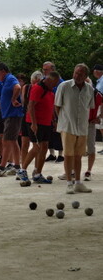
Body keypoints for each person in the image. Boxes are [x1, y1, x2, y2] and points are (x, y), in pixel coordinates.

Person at [55, 64, 95, 194]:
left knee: (79, 156)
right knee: (68, 155)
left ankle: (78, 182)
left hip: (83, 127)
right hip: (68, 126)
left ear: (85, 76)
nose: (77, 76)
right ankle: (69, 183)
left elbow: (89, 107)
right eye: (76, 73)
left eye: (81, 74)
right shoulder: (64, 86)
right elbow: (57, 106)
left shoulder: (89, 89)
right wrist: (62, 120)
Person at [21, 71, 61, 183]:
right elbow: (31, 106)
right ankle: (22, 169)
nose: (55, 85)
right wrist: (34, 123)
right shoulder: (38, 88)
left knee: (44, 147)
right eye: (55, 83)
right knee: (36, 147)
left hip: (46, 123)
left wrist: (54, 120)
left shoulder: (50, 90)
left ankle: (38, 173)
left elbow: (50, 107)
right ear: (49, 80)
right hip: (36, 123)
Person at [0, 63, 24, 179]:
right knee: (12, 141)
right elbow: (2, 102)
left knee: (7, 141)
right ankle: (16, 167)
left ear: (3, 71)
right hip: (9, 115)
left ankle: (2, 168)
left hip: (13, 115)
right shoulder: (5, 81)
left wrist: (14, 99)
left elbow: (18, 87)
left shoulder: (10, 79)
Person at [19, 71, 43, 167]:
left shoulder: (29, 87)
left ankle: (34, 168)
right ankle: (24, 168)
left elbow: (25, 102)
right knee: (26, 144)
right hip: (27, 116)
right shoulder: (27, 87)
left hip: (31, 116)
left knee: (35, 145)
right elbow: (25, 102)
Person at [42, 61, 65, 163]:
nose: (44, 71)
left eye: (46, 69)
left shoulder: (60, 82)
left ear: (52, 70)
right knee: (48, 131)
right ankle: (51, 153)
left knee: (58, 131)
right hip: (47, 109)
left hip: (57, 108)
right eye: (43, 69)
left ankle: (61, 154)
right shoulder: (44, 80)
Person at [93, 64, 103, 155]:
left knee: (102, 127)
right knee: (101, 127)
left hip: (102, 105)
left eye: (94, 71)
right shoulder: (99, 81)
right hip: (100, 105)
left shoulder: (102, 80)